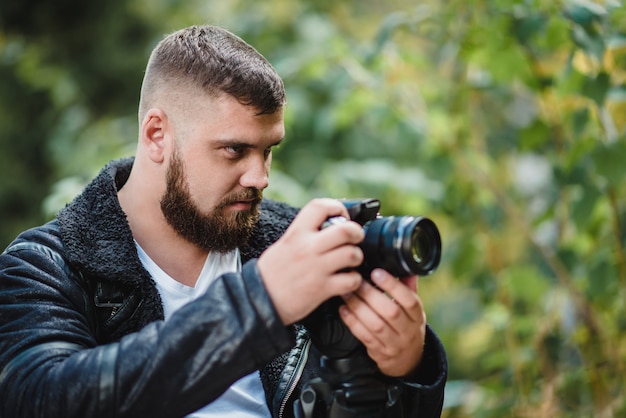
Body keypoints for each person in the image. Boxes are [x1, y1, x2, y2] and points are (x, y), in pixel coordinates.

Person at [0, 25, 447, 417]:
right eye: (234, 150)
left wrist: (406, 366)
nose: (260, 177)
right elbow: (40, 398)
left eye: (268, 150)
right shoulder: (42, 267)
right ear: (157, 135)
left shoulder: (296, 246)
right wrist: (262, 302)